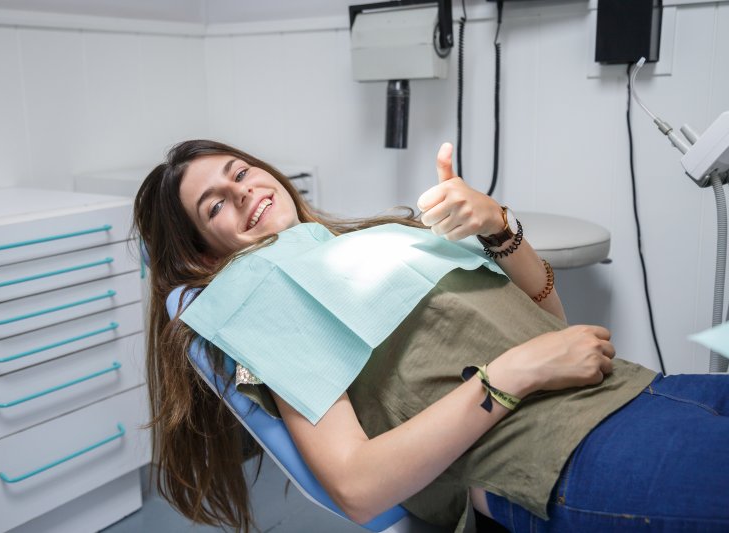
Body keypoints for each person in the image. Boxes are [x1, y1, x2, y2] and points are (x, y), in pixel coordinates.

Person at [133, 139, 729, 533]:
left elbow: (549, 327)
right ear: (205, 255)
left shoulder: (367, 241)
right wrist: (513, 375)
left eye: (240, 171)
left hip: (630, 391)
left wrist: (498, 226)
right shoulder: (266, 300)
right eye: (215, 206)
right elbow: (357, 487)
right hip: (557, 456)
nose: (244, 191)